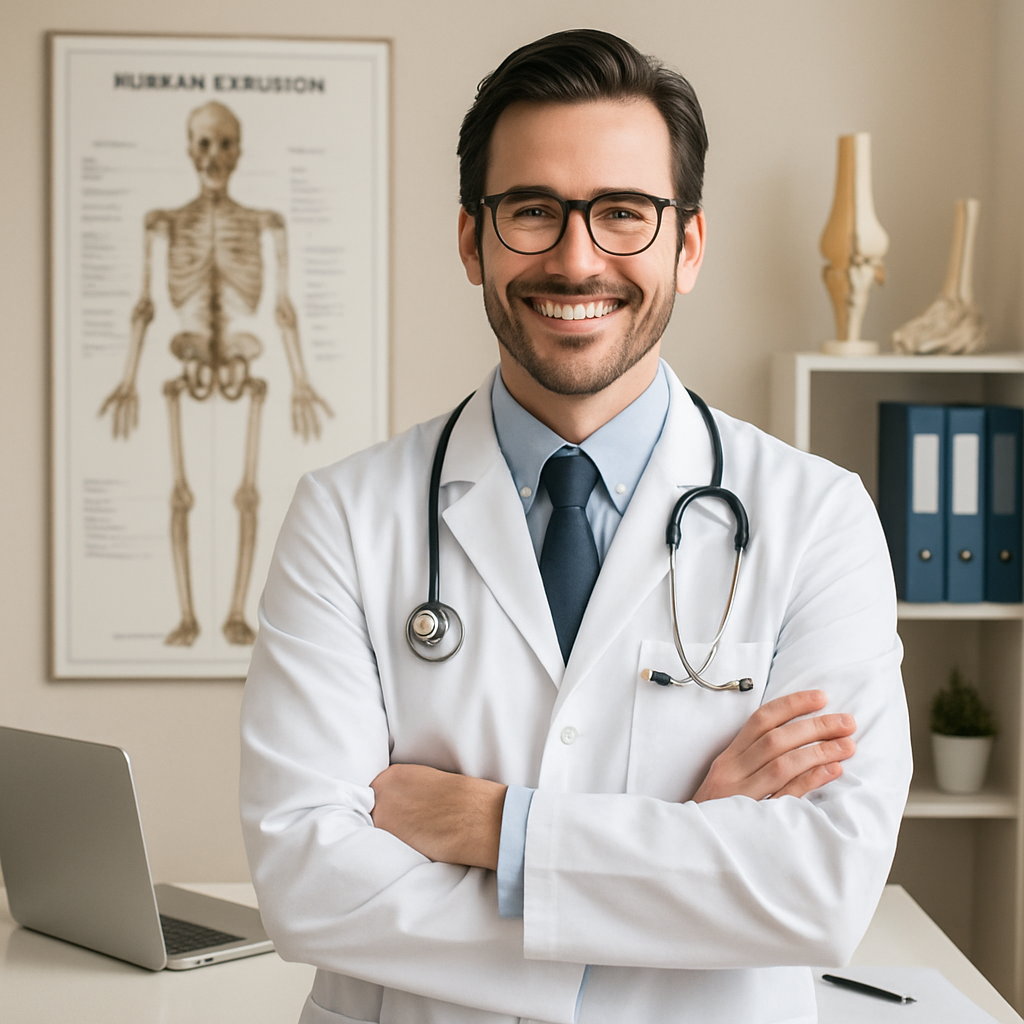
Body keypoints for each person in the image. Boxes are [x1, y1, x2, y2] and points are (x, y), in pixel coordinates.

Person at [240, 29, 912, 1024]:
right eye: (532, 212)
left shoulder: (817, 518)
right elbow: (307, 880)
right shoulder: (346, 516)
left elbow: (820, 887)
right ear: (471, 240)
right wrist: (683, 847)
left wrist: (494, 827)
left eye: (623, 214)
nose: (576, 258)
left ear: (686, 245)